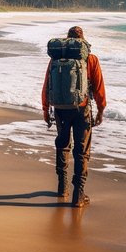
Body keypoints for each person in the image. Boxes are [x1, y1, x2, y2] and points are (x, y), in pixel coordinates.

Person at [41, 24, 105, 207]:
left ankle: (62, 188)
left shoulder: (55, 60)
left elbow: (47, 86)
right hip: (82, 109)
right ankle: (78, 195)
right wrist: (101, 110)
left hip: (60, 109)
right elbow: (99, 88)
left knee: (62, 145)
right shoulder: (90, 59)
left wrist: (45, 109)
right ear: (83, 40)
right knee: (81, 150)